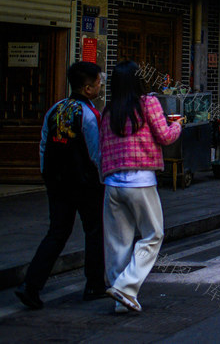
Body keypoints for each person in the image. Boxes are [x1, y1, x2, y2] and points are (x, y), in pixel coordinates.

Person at [16, 62, 106, 310]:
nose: (100, 85)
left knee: (57, 233)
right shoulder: (89, 115)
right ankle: (94, 284)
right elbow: (95, 154)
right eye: (98, 82)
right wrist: (103, 181)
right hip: (86, 184)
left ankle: (30, 286)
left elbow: (44, 146)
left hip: (57, 183)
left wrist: (47, 175)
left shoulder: (55, 109)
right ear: (87, 88)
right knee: (95, 231)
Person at [101, 61, 181, 313]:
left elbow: (98, 149)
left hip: (112, 183)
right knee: (153, 235)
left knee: (117, 243)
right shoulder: (148, 103)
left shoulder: (108, 110)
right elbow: (165, 136)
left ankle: (121, 299)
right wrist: (178, 125)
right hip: (141, 182)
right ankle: (126, 287)